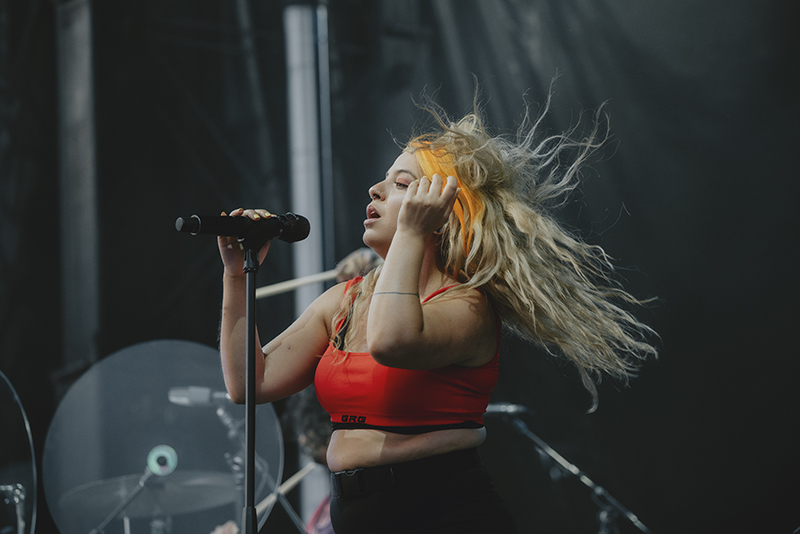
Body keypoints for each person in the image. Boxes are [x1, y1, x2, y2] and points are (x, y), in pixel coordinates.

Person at [217, 95, 657, 533]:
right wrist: (236, 275)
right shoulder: (343, 301)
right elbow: (249, 383)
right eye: (383, 180)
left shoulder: (467, 306)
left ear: (439, 214)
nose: (375, 190)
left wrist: (412, 233)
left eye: (401, 183)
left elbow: (391, 341)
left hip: (443, 513)